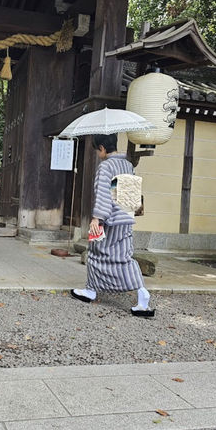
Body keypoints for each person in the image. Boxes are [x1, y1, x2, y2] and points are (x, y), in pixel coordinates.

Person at [70, 133, 154, 317]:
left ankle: (91, 290)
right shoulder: (127, 164)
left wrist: (97, 218)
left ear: (101, 148)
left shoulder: (106, 166)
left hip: (109, 220)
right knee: (124, 257)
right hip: (125, 219)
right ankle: (142, 294)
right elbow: (130, 196)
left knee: (96, 253)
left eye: (97, 150)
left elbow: (103, 194)